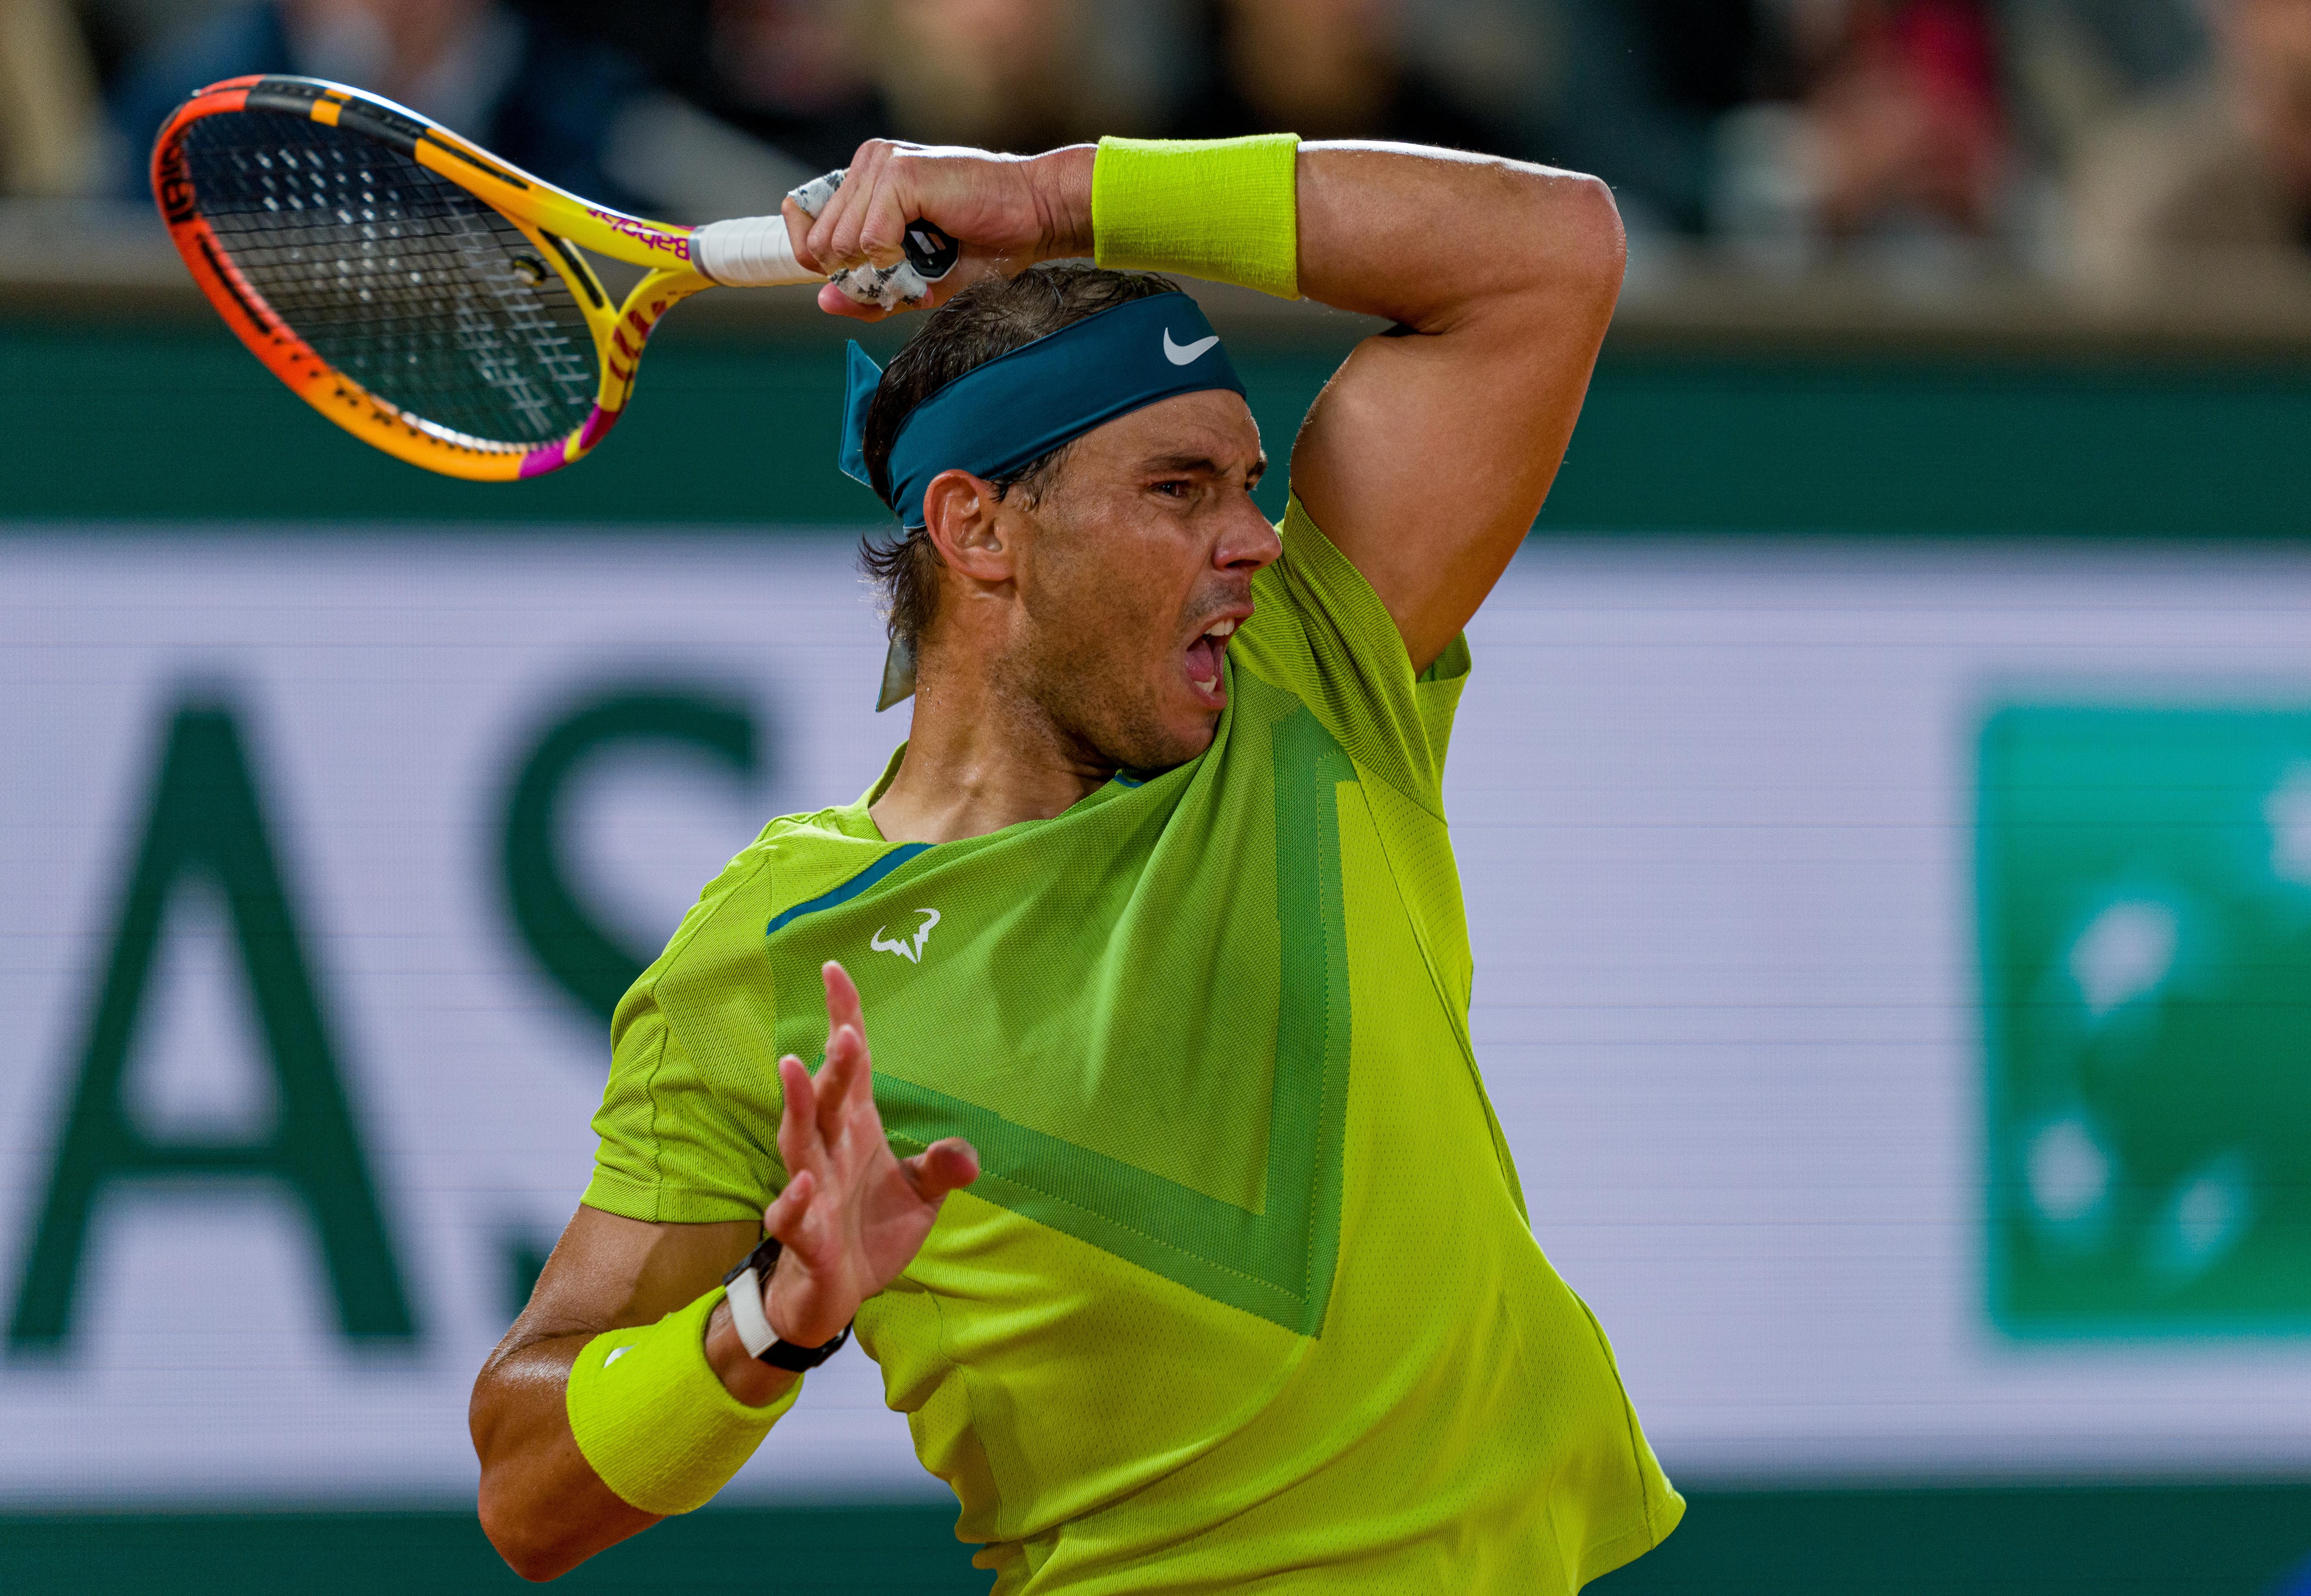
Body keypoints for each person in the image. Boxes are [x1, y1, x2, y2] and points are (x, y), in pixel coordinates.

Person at [469, 128, 1679, 1591]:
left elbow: (1549, 251)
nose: (1256, 540)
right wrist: (769, 1320)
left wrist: (1047, 199)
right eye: (1180, 489)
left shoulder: (1311, 675)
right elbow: (527, 1490)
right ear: (978, 528)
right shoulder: (774, 958)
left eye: (1250, 483)